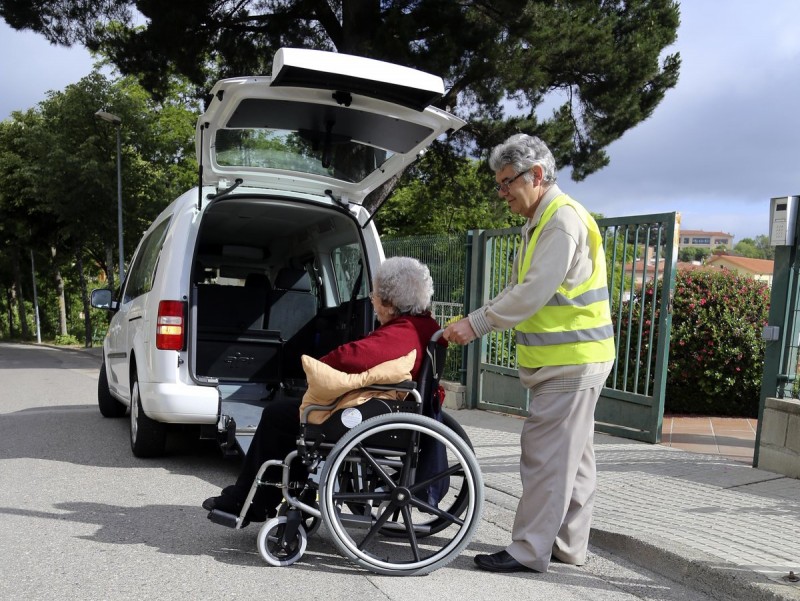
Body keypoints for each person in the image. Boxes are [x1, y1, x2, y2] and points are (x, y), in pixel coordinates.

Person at [443, 134, 615, 573]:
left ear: (536, 175)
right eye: (499, 184)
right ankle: (568, 545)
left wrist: (476, 323)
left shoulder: (559, 221)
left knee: (544, 457)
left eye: (506, 183)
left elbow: (532, 293)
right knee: (574, 459)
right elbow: (524, 288)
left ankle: (527, 550)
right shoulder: (545, 220)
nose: (502, 194)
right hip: (578, 357)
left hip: (570, 361)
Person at [203, 256, 443, 523]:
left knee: (279, 416)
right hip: (391, 410)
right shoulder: (424, 326)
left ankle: (249, 500)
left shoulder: (403, 332)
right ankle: (272, 494)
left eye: (375, 295)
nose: (372, 301)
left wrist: (322, 366)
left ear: (388, 301)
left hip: (379, 418)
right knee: (289, 415)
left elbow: (351, 357)